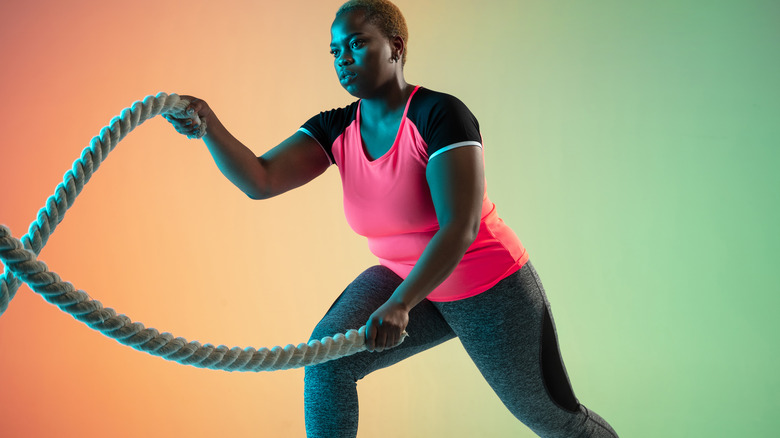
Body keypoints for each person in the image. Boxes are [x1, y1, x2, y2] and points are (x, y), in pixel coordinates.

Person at [165, 1, 619, 436]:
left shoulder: (440, 115)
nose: (343, 60)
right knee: (326, 364)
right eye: (335, 51)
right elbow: (260, 180)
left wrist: (402, 304)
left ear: (396, 47)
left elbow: (459, 228)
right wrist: (209, 124)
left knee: (556, 422)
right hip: (401, 278)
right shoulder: (335, 128)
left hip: (485, 286)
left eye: (357, 44)